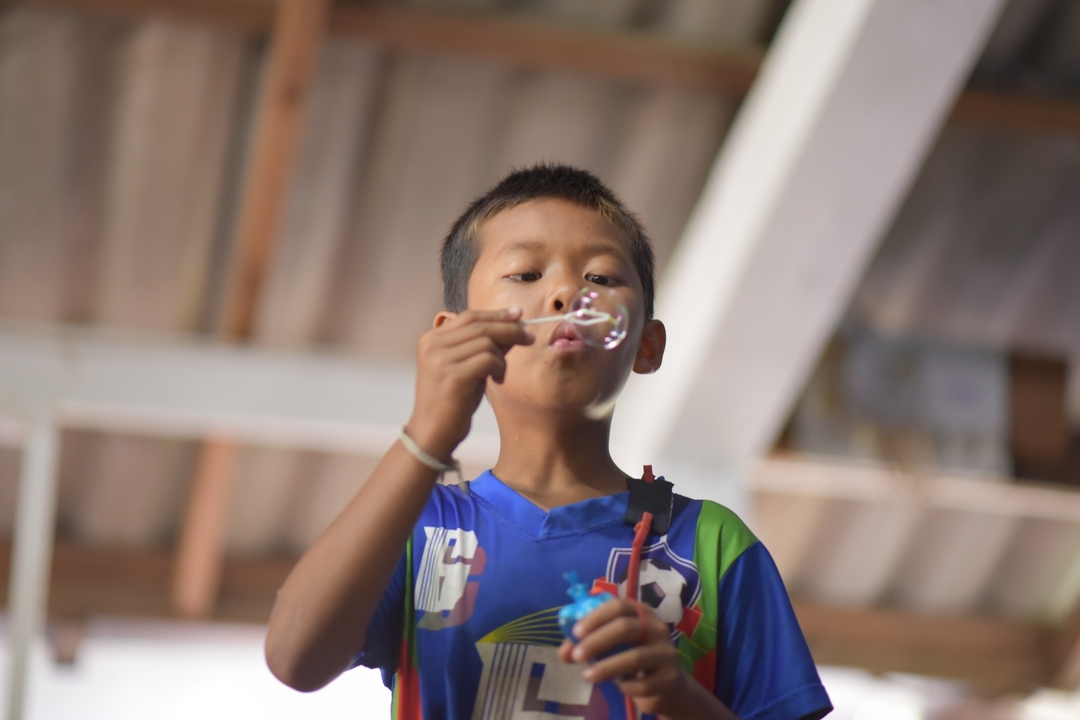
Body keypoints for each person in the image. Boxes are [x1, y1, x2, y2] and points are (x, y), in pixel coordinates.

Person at [265, 164, 833, 720]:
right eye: (526, 274)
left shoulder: (713, 545)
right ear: (454, 335)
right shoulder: (413, 525)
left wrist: (678, 699)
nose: (566, 291)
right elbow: (295, 659)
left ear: (646, 345)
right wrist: (427, 435)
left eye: (601, 279)